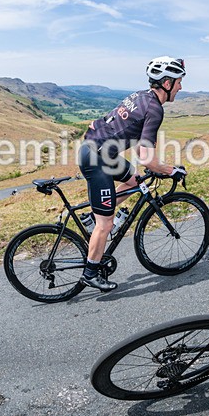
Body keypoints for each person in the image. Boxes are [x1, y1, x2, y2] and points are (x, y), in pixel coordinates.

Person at [77, 56, 187, 291]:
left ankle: (92, 216)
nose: (181, 87)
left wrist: (157, 166)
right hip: (97, 158)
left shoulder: (142, 96)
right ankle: (91, 271)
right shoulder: (155, 109)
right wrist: (171, 171)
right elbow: (147, 157)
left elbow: (140, 149)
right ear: (167, 83)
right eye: (178, 82)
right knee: (105, 224)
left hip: (97, 150)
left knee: (134, 180)